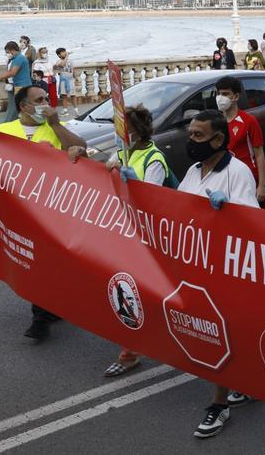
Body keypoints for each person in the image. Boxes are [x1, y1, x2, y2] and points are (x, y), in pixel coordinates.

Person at [0, 85, 88, 340]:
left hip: (51, 211)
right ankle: (45, 312)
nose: (46, 103)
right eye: (39, 100)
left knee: (49, 261)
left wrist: (55, 125)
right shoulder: (4, 131)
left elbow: (81, 148)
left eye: (47, 99)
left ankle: (43, 316)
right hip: (18, 211)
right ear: (23, 106)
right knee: (33, 261)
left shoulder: (55, 128)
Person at [175, 110, 259, 439]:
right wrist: (134, 187)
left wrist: (231, 208)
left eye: (198, 135)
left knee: (218, 333)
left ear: (218, 139)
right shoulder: (195, 170)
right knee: (224, 333)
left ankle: (219, 404)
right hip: (197, 265)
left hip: (227, 270)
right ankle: (249, 382)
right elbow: (173, 203)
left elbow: (253, 221)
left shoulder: (237, 172)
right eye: (191, 134)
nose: (191, 141)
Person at [98, 105, 175, 377]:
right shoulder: (120, 153)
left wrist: (131, 180)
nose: (119, 132)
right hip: (124, 235)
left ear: (136, 130)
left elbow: (150, 198)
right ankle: (130, 352)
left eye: (123, 127)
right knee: (127, 292)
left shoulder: (154, 158)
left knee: (158, 294)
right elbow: (101, 173)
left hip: (151, 240)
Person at [214, 76, 265, 208]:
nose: (221, 97)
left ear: (236, 96)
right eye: (218, 94)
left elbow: (259, 154)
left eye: (225, 94)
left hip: (249, 179)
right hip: (225, 181)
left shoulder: (249, 121)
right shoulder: (215, 123)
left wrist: (261, 185)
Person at [0, 41, 33, 122]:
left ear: (12, 50)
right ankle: (11, 122)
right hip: (15, 85)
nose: (7, 54)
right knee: (13, 105)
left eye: (7, 52)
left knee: (18, 107)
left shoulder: (19, 58)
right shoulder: (13, 59)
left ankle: (11, 122)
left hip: (21, 85)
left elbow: (13, 72)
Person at [53, 48, 75, 113]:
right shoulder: (58, 61)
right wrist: (67, 56)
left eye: (65, 51)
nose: (65, 53)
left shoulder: (70, 61)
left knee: (73, 95)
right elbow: (62, 64)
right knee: (64, 95)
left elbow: (73, 69)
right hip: (63, 80)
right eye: (62, 52)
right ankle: (65, 109)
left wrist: (75, 77)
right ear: (59, 55)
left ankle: (75, 108)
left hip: (70, 79)